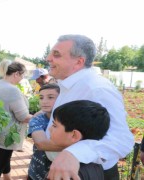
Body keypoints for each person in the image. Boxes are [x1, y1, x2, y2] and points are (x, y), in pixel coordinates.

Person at [44, 34, 134, 180]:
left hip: (90, 173)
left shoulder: (97, 89)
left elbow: (121, 139)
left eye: (56, 54)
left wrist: (75, 153)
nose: (48, 58)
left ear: (79, 62)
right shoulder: (71, 85)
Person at [0, 59, 33, 180]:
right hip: (7, 133)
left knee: (1, 159)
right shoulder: (12, 89)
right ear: (16, 73)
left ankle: (7, 177)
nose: (22, 78)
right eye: (22, 75)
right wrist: (40, 115)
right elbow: (23, 117)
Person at [46, 100, 110, 180]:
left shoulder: (64, 172)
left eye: (55, 125)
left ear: (74, 135)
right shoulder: (95, 163)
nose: (49, 129)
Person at [27, 83, 60, 180]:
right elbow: (41, 144)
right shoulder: (37, 119)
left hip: (60, 173)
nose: (44, 101)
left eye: (50, 97)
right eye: (41, 98)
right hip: (37, 172)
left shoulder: (68, 120)